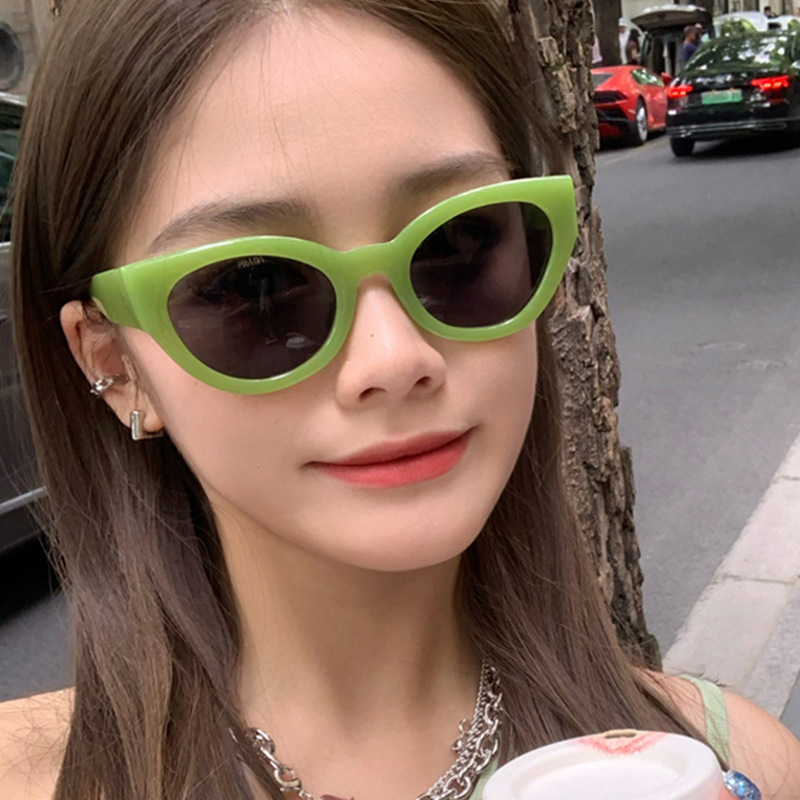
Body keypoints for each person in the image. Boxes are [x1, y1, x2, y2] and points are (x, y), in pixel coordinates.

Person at [1, 1, 799, 799]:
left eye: (456, 241)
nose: (394, 359)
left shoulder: (732, 768)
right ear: (116, 363)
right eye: (256, 286)